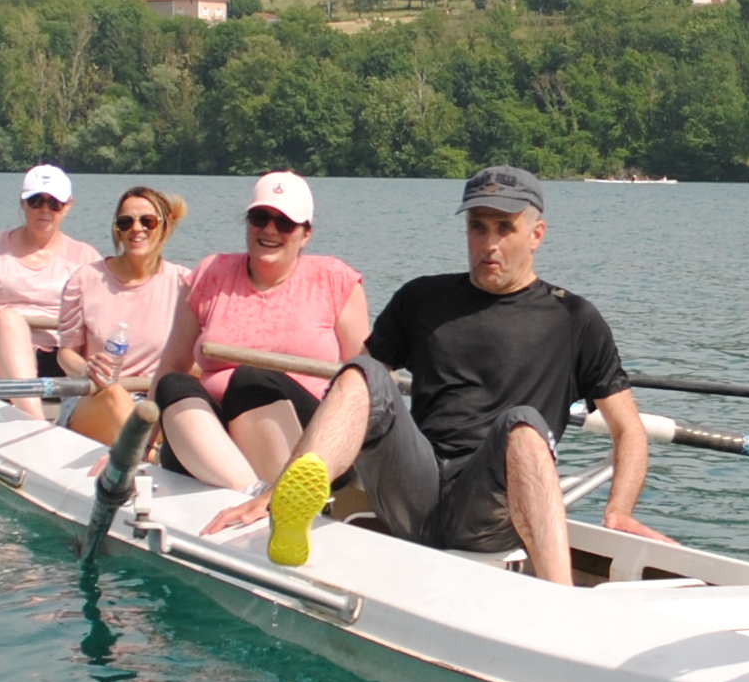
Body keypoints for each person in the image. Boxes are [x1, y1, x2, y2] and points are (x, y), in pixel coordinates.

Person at [205, 165, 672, 585]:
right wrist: (274, 486)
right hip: (412, 493)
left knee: (525, 425)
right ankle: (292, 507)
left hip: (491, 508)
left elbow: (628, 429)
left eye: (505, 229)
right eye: (477, 227)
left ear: (536, 234)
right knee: (362, 370)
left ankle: (559, 596)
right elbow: (350, 393)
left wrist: (619, 511)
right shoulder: (421, 299)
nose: (489, 244)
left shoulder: (574, 318)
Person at [151, 171, 371, 489]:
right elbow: (171, 364)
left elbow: (364, 382)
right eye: (259, 217)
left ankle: (287, 494)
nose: (269, 230)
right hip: (216, 440)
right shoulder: (209, 273)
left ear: (305, 234)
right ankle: (253, 493)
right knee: (174, 385)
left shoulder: (336, 280)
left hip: (305, 440)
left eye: (284, 223)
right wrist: (138, 443)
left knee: (250, 379)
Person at [0, 164, 100, 380]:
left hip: (57, 357)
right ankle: (31, 409)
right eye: (36, 201)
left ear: (68, 205)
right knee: (8, 321)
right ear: (22, 202)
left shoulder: (85, 257)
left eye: (54, 203)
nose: (44, 210)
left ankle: (31, 408)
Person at [57, 185, 190, 391]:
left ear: (166, 226)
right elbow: (65, 354)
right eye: (125, 222)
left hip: (153, 396)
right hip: (96, 395)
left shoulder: (185, 283)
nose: (136, 228)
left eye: (148, 221)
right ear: (117, 230)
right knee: (116, 395)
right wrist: (86, 368)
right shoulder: (84, 279)